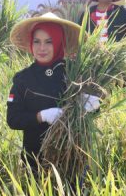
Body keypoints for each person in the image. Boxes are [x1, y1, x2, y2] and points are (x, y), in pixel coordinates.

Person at [6, 13, 99, 176]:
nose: (42, 48)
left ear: (59, 43)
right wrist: (40, 116)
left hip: (72, 156)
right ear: (31, 43)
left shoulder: (74, 73)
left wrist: (92, 105)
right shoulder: (23, 78)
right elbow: (13, 119)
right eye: (37, 41)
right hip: (35, 157)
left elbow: (92, 113)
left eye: (49, 42)